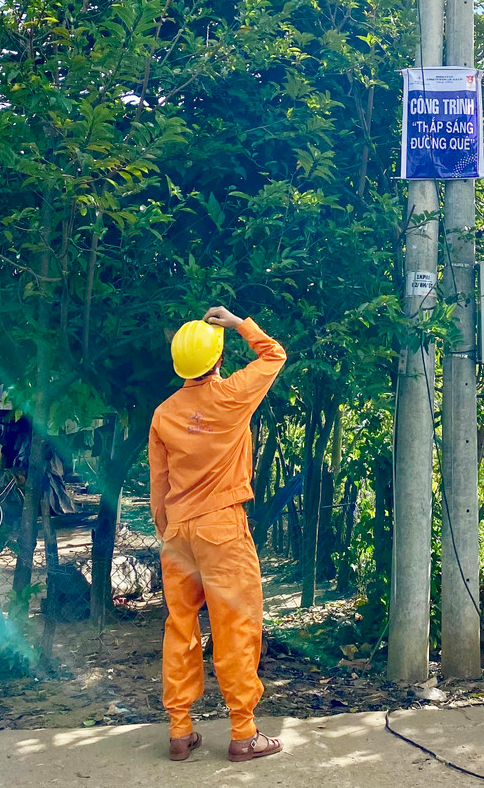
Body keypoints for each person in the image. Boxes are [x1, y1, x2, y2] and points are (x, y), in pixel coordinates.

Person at [149, 305, 286, 763]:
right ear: (218, 359)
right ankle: (243, 733)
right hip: (222, 528)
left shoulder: (163, 414)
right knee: (235, 627)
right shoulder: (232, 395)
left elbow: (159, 482)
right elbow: (274, 355)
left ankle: (180, 730)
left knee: (180, 627)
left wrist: (166, 529)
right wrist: (239, 323)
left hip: (178, 532)